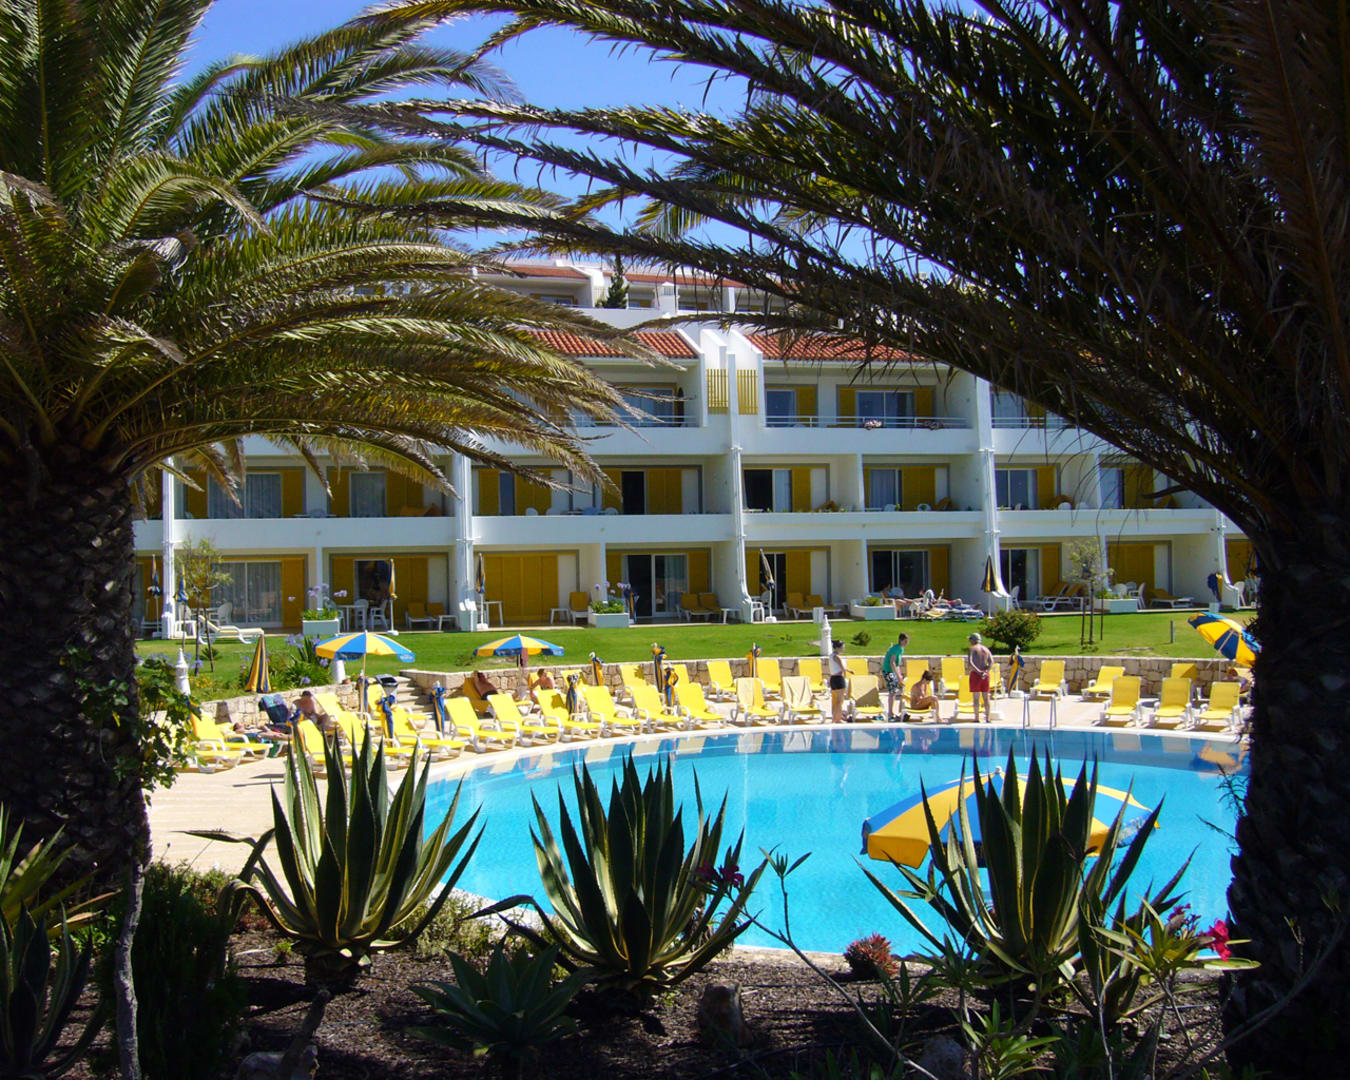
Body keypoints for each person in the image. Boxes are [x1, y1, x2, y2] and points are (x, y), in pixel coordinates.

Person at [967, 632, 994, 723]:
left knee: (976, 697)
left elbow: (970, 662)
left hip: (976, 675)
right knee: (986, 697)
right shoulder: (986, 649)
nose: (970, 641)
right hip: (985, 676)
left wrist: (978, 671)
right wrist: (986, 672)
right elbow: (991, 662)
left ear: (973, 640)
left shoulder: (972, 649)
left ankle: (976, 718)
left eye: (970, 639)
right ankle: (988, 718)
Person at [882, 633, 909, 720]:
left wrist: (899, 675)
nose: (907, 643)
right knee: (892, 692)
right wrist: (898, 675)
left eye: (907, 641)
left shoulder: (901, 649)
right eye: (905, 641)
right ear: (901, 640)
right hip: (888, 671)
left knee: (894, 691)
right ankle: (890, 713)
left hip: (892, 671)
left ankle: (892, 712)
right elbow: (892, 662)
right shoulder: (896, 649)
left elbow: (897, 664)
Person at [828, 638, 847, 723]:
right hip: (839, 679)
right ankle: (838, 719)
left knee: (834, 700)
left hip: (833, 679)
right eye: (842, 647)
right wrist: (845, 676)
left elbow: (836, 667)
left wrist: (848, 670)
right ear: (837, 648)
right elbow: (843, 669)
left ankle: (834, 717)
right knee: (840, 700)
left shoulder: (831, 656)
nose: (843, 649)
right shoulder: (837, 657)